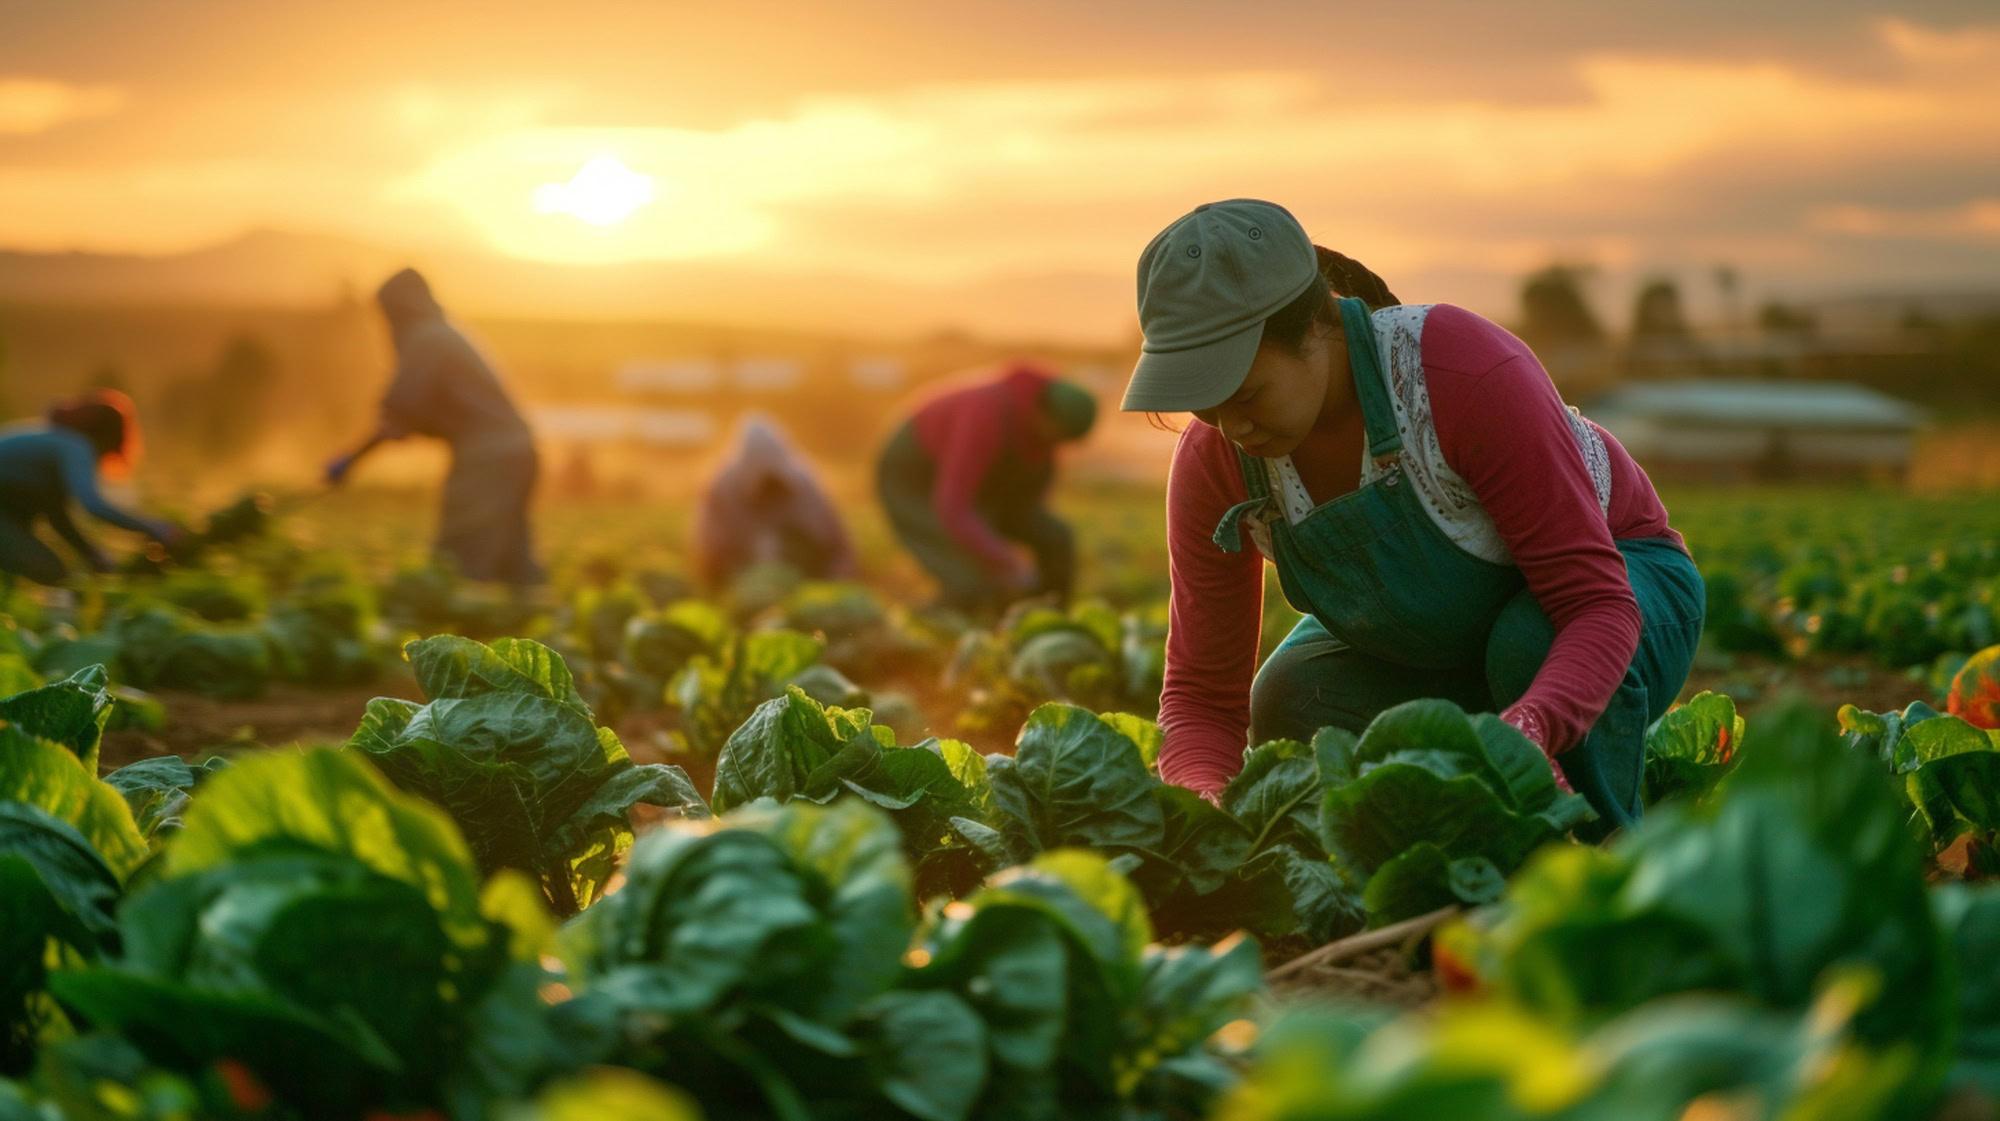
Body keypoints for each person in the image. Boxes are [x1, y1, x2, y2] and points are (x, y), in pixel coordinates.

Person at [1123, 199, 1703, 830]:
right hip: (1436, 643)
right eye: (1205, 407)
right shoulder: (1217, 460)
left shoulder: (1457, 373)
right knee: (1292, 693)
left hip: (1622, 594)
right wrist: (1205, 803)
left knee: (1529, 645)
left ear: (1318, 325)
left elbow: (1596, 605)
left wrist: (1532, 731)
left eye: (1245, 393)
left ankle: (1597, 855)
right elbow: (1202, 696)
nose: (1231, 427)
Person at [324, 268, 544, 585]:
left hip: (487, 459)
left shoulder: (426, 339)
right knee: (512, 560)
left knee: (457, 560)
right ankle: (532, 617)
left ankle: (466, 628)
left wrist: (351, 461)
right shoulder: (445, 333)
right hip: (519, 451)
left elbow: (397, 416)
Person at [876, 362, 1097, 613]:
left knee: (1056, 538)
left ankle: (1048, 617)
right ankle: (919, 628)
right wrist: (1005, 560)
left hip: (970, 488)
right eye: (1057, 437)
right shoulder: (984, 416)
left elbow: (1031, 504)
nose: (1056, 447)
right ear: (1044, 413)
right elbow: (953, 506)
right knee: (969, 581)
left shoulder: (1042, 435)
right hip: (912, 476)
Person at [0, 390, 181, 585]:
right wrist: (155, 528)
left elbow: (57, 517)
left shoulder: (56, 440)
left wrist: (93, 555)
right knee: (52, 572)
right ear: (110, 436)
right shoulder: (76, 446)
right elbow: (93, 505)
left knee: (26, 575)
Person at [693, 413, 856, 590]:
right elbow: (709, 554)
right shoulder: (722, 488)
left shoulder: (806, 486)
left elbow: (838, 547)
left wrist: (832, 586)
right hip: (743, 587)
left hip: (807, 584)